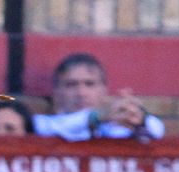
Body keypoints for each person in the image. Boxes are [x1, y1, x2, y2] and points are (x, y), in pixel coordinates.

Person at [33, 52, 163, 141]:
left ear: (104, 90)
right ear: (57, 92)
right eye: (71, 85)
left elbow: (156, 129)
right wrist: (98, 116)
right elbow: (70, 125)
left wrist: (138, 117)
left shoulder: (116, 129)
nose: (81, 93)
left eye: (90, 84)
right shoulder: (44, 124)